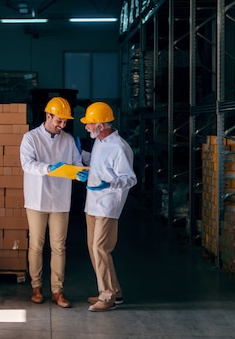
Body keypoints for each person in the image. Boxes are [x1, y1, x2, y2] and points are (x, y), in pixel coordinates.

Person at [20, 96, 89, 308]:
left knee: (59, 247)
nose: (62, 125)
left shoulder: (67, 140)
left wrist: (80, 173)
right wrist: (48, 168)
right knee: (36, 245)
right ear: (48, 116)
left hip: (60, 200)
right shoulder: (30, 138)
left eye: (65, 122)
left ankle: (58, 291)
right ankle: (37, 287)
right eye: (59, 120)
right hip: (36, 200)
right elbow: (27, 164)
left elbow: (76, 163)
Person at [80, 101, 137, 312]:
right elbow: (99, 165)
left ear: (101, 125)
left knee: (100, 249)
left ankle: (108, 296)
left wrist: (111, 183)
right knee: (93, 249)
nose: (86, 127)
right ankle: (114, 291)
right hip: (92, 203)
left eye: (89, 123)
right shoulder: (99, 143)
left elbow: (130, 179)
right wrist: (83, 162)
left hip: (107, 205)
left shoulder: (119, 147)